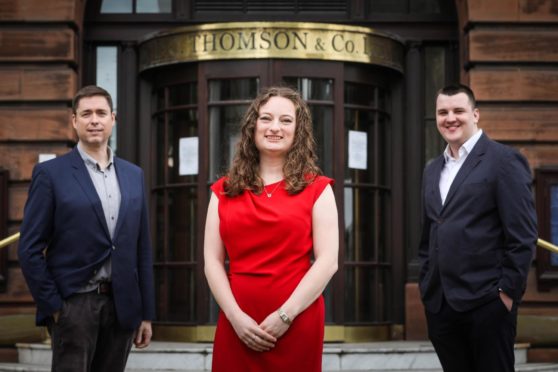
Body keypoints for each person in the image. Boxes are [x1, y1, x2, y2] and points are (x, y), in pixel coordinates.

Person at [18, 85, 155, 372]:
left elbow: (141, 248)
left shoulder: (133, 175)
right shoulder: (51, 174)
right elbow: (29, 249)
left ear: (113, 119)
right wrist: (54, 306)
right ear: (74, 121)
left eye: (101, 113)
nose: (95, 120)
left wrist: (145, 312)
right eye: (87, 113)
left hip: (122, 305)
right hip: (74, 304)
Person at [204, 86, 339, 371]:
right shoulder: (223, 191)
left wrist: (285, 316)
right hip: (236, 323)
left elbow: (327, 262)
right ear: (253, 127)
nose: (274, 127)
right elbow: (212, 262)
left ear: (298, 130)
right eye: (266, 118)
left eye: (286, 120)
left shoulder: (318, 189)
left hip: (297, 321)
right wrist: (235, 317)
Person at [418, 84, 537, 372]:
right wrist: (426, 284)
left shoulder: (504, 161)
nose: (450, 118)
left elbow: (522, 236)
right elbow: (429, 233)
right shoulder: (432, 169)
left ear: (475, 114)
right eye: (442, 112)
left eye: (458, 110)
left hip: (488, 304)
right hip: (441, 306)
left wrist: (506, 294)